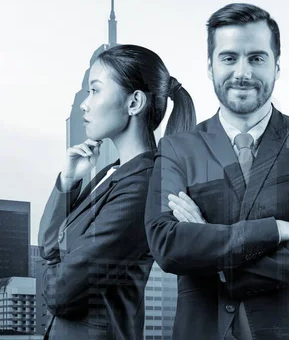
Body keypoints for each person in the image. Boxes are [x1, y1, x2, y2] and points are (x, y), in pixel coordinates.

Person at [144, 3, 289, 340]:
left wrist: (218, 259)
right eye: (229, 58)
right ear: (210, 67)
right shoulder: (176, 149)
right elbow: (168, 245)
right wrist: (274, 230)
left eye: (257, 58)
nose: (242, 72)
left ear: (277, 67)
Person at [38, 44, 196, 340]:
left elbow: (60, 292)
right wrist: (68, 181)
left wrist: (52, 267)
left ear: (134, 102)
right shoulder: (111, 173)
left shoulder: (143, 186)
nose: (85, 104)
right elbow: (48, 246)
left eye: (95, 91)